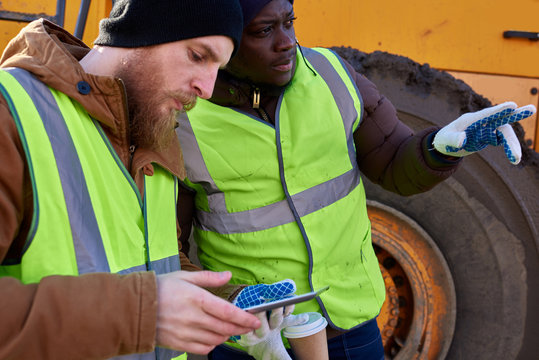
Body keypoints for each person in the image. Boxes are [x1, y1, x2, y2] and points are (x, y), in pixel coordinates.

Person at [175, 0, 536, 359]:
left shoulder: (332, 77)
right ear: (222, 40)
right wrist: (234, 300)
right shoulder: (182, 119)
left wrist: (439, 150)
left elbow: (393, 160)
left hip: (350, 329)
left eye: (289, 22)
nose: (286, 41)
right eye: (264, 30)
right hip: (252, 341)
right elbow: (165, 253)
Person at [0, 0, 267, 359]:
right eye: (198, 55)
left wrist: (230, 308)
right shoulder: (11, 114)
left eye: (218, 67)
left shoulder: (155, 132)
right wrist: (138, 314)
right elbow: (143, 303)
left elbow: (158, 264)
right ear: (142, 33)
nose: (206, 88)